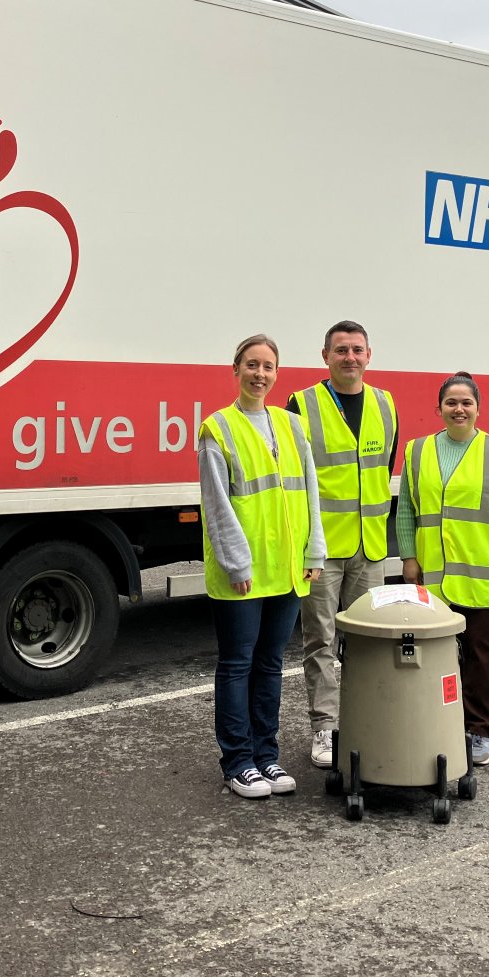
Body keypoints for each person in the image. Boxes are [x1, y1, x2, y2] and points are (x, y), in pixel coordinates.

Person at [199, 334, 326, 798]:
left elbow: (311, 492)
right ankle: (238, 762)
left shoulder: (292, 426)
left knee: (270, 665)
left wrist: (315, 553)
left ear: (277, 373)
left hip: (287, 570)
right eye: (252, 365)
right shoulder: (218, 428)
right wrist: (235, 562)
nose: (260, 374)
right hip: (244, 572)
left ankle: (266, 758)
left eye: (268, 366)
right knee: (237, 664)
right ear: (236, 370)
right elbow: (217, 504)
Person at [397, 373, 489, 766]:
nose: (459, 409)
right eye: (451, 402)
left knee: (483, 658)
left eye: (466, 402)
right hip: (434, 579)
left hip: (486, 577)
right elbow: (406, 510)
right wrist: (408, 556)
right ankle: (441, 724)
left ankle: (479, 730)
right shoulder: (417, 452)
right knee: (437, 660)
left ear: (477, 409)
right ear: (438, 409)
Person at [288, 320, 398, 769]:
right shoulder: (302, 403)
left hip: (369, 547)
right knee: (321, 642)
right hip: (323, 550)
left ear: (369, 355)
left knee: (367, 642)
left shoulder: (386, 403)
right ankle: (325, 729)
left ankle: (363, 722)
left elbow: (384, 466)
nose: (349, 357)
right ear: (325, 356)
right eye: (341, 350)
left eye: (357, 350)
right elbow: (294, 478)